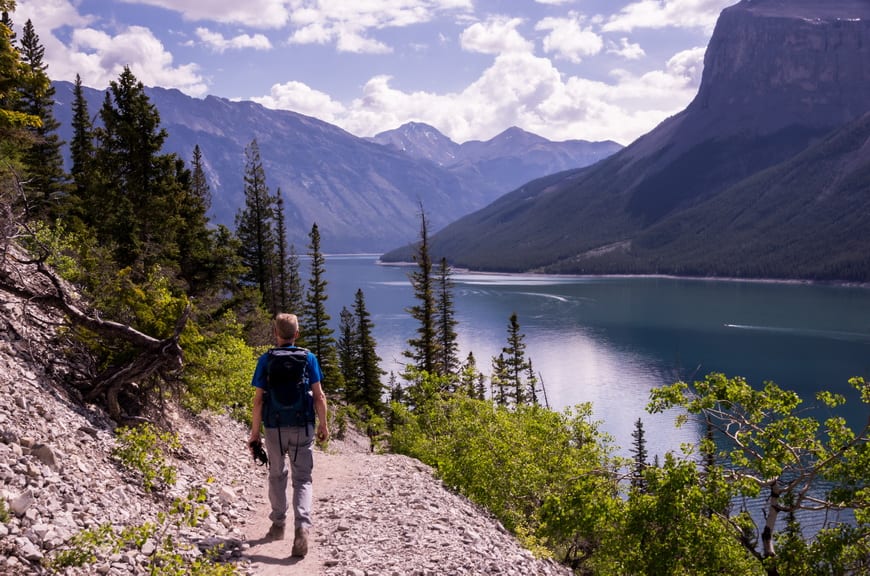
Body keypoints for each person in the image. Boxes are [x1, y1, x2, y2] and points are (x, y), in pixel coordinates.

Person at [248, 313, 329, 558]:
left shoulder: (266, 359)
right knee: (302, 479)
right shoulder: (309, 358)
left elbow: (258, 401)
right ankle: (302, 527)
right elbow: (319, 396)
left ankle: (278, 524)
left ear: (276, 334)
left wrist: (254, 434)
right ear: (297, 334)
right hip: (302, 424)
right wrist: (323, 424)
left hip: (274, 426)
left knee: (276, 473)